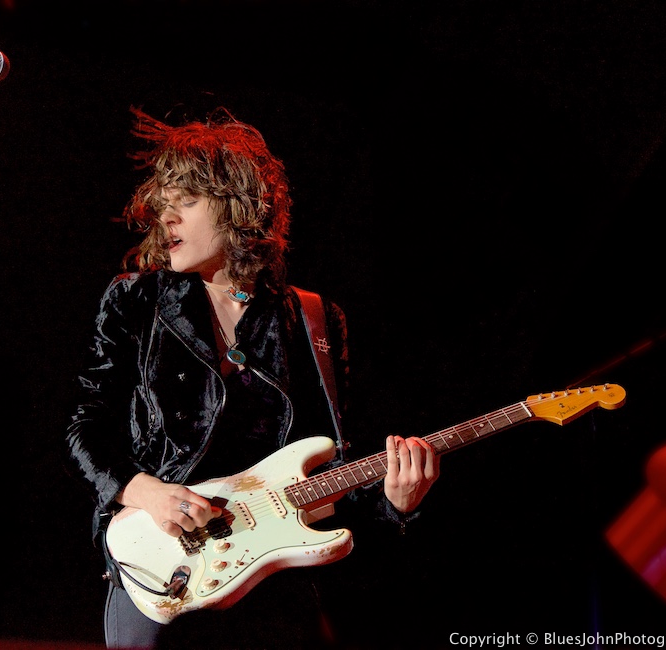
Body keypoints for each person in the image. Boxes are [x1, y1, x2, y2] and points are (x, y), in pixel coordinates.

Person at [65, 106, 440, 649]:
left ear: (239, 206)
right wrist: (148, 493)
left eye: (186, 202)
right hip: (166, 567)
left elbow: (334, 472)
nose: (165, 218)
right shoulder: (136, 300)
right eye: (162, 204)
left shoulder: (315, 320)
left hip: (276, 588)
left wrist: (396, 501)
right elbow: (85, 428)